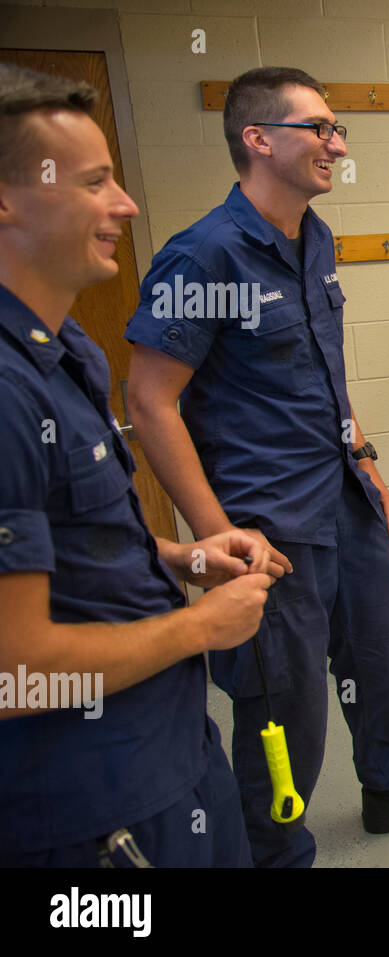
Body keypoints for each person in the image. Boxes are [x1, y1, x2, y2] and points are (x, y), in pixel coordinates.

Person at [123, 67, 389, 868]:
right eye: (319, 128)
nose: (339, 144)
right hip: (271, 520)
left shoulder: (311, 235)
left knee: (385, 660)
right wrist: (216, 539)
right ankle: (274, 850)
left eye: (337, 129)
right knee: (285, 706)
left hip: (343, 497)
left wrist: (366, 458)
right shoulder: (205, 258)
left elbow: (324, 371)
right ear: (258, 139)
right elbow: (150, 401)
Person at [0, 63, 276, 867]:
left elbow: (77, 546)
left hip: (171, 752)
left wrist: (186, 556)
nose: (124, 204)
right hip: (93, 807)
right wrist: (198, 627)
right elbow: (17, 675)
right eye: (94, 183)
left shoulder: (67, 350)